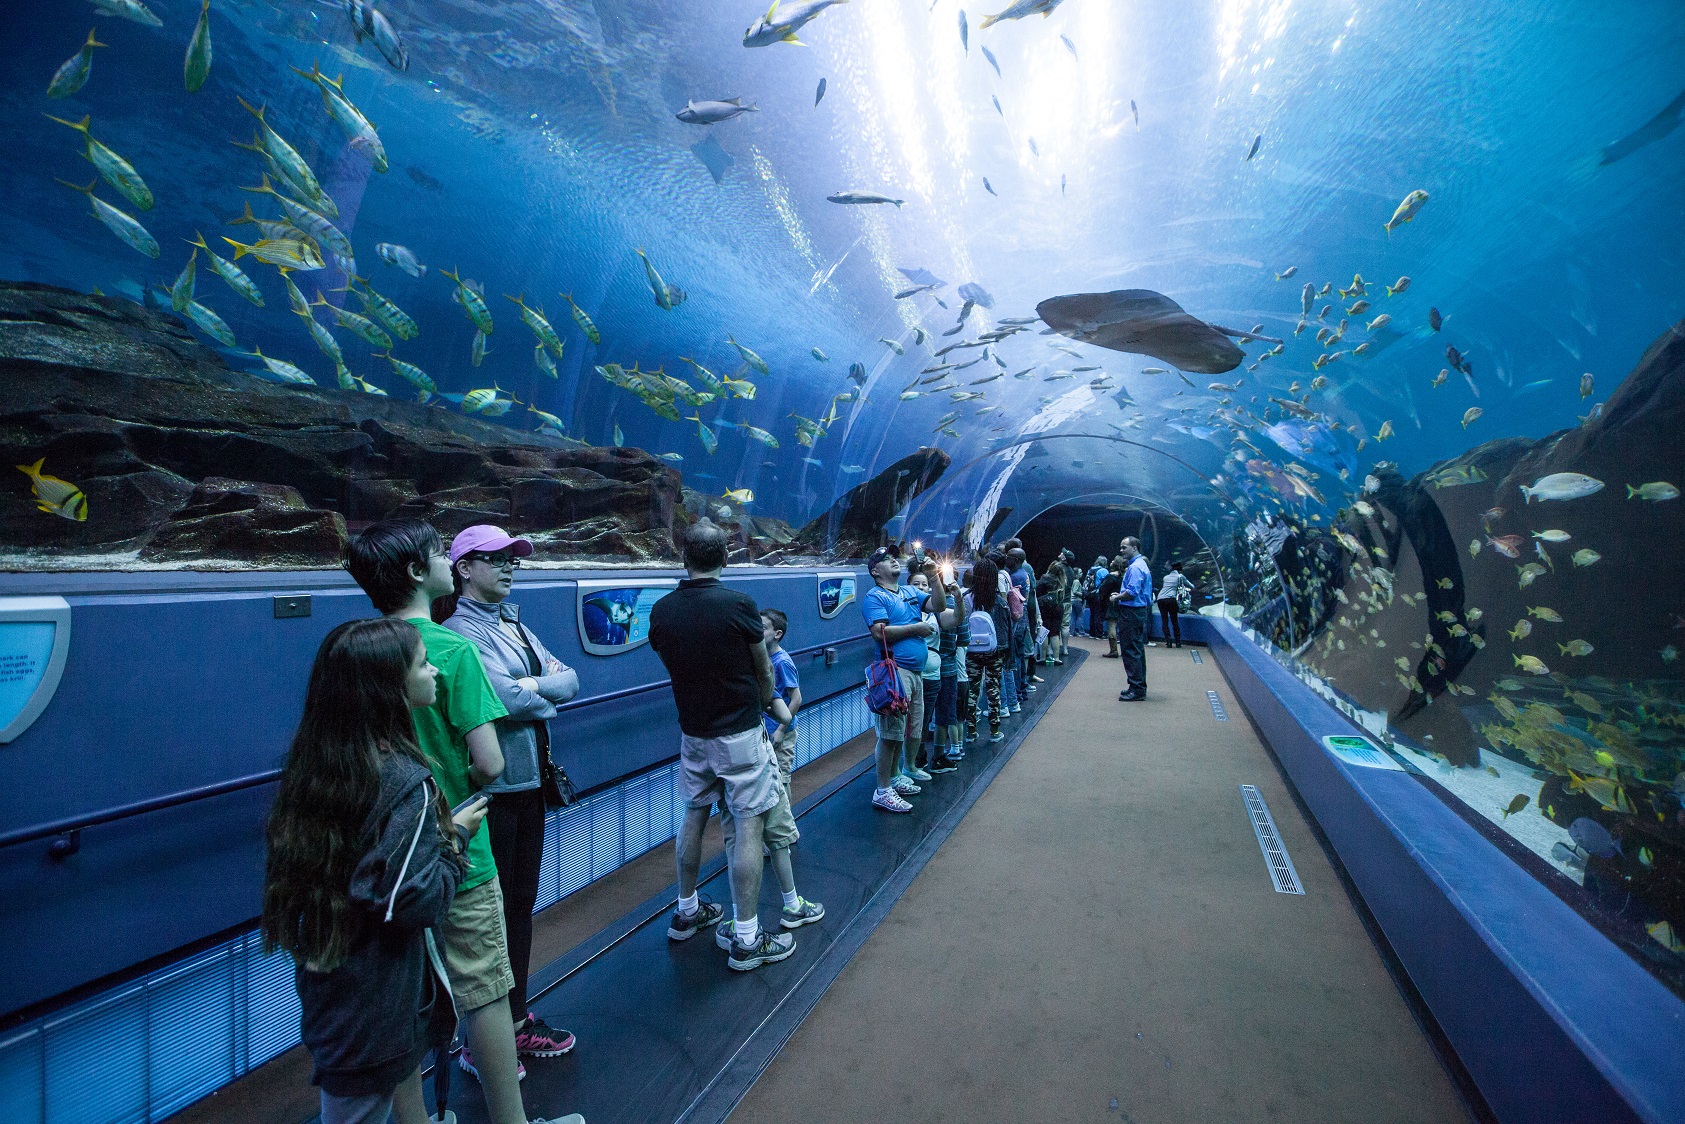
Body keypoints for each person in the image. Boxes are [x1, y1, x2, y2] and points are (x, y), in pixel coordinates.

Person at [346, 520, 567, 1124]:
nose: (448, 559)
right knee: (487, 990)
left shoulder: (358, 647)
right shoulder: (451, 650)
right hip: (460, 848)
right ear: (422, 571)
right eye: (439, 553)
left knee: (404, 1003)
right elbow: (490, 761)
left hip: (389, 857)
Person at [263, 618, 489, 1124]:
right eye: (422, 664)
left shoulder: (321, 766)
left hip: (333, 986)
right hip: (376, 1004)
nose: (433, 671)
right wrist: (454, 840)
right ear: (391, 686)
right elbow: (415, 899)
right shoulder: (407, 781)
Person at [441, 526, 580, 1062]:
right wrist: (535, 690)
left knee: (518, 907)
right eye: (494, 559)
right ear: (464, 568)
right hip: (490, 797)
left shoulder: (512, 625)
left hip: (528, 786)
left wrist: (532, 689)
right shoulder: (463, 632)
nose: (508, 567)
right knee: (493, 914)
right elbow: (503, 700)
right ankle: (486, 1037)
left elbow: (569, 681)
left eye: (512, 560)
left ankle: (512, 1020)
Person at [649, 520, 798, 971]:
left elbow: (673, 662)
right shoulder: (739, 605)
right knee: (749, 823)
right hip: (739, 731)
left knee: (693, 815)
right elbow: (763, 670)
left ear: (683, 556)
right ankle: (748, 938)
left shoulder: (662, 610)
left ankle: (688, 910)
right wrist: (765, 702)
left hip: (693, 733)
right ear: (726, 557)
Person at [711, 607, 826, 951]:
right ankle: (784, 910)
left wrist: (781, 726)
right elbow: (777, 703)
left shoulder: (720, 673)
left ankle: (742, 919)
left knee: (738, 833)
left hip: (726, 756)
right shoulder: (757, 670)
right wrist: (778, 718)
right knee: (773, 828)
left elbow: (787, 704)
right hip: (755, 753)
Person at [861, 546, 956, 812]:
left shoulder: (909, 591)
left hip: (915, 672)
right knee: (890, 734)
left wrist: (934, 577)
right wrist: (916, 628)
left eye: (893, 557)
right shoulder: (875, 597)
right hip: (895, 672)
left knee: (906, 730)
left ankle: (894, 778)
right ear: (874, 571)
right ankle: (883, 790)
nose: (892, 559)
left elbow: (938, 605)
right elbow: (880, 633)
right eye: (884, 559)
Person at [963, 556, 1012, 743]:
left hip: (971, 650)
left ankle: (971, 731)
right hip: (995, 651)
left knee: (972, 690)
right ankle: (994, 731)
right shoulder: (1000, 601)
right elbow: (1005, 630)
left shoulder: (967, 598)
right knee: (994, 690)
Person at [1110, 536, 1154, 701]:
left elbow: (1131, 593)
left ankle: (1137, 689)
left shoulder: (1135, 568)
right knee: (1136, 650)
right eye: (1121, 548)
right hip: (1137, 611)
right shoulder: (1140, 564)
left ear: (1134, 547)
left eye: (1124, 547)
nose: (1121, 551)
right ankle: (1137, 686)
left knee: (1130, 651)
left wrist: (1117, 597)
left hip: (1132, 612)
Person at [1155, 561, 1193, 649]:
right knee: (1174, 621)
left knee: (1164, 620)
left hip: (1160, 599)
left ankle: (1168, 642)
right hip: (1171, 599)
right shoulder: (1180, 577)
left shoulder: (1165, 577)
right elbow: (1191, 586)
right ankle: (1178, 642)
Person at [1099, 560, 1123, 658]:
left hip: (1111, 603)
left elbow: (1102, 589)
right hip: (1121, 602)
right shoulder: (1122, 577)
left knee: (1111, 626)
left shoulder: (1110, 577)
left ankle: (1113, 650)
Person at [1086, 555, 1109, 638]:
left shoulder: (1090, 570)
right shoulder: (1103, 571)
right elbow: (1108, 582)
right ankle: (1099, 633)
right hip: (1098, 594)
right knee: (1099, 614)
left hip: (1089, 594)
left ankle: (1091, 633)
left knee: (1092, 614)